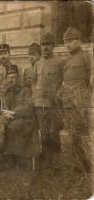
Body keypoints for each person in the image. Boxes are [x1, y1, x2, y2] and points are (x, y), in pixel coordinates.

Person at [60, 26, 93, 174]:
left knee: (83, 134)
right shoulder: (67, 59)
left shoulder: (87, 57)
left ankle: (87, 166)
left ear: (79, 41)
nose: (67, 44)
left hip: (82, 102)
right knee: (73, 134)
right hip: (69, 102)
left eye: (70, 41)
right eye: (65, 41)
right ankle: (77, 165)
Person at [0, 65, 39, 170]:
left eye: (14, 77)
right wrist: (3, 113)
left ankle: (17, 158)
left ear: (18, 78)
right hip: (11, 117)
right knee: (0, 123)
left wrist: (13, 113)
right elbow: (4, 106)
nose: (11, 80)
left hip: (25, 119)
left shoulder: (26, 90)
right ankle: (5, 156)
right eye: (9, 77)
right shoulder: (8, 92)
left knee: (13, 127)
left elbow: (28, 108)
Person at [33, 32, 65, 169]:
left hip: (53, 104)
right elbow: (33, 83)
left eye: (48, 45)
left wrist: (59, 97)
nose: (45, 48)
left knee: (54, 133)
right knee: (44, 134)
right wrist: (35, 97)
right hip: (40, 104)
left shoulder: (60, 62)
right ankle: (47, 160)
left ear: (54, 46)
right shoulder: (38, 64)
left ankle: (57, 160)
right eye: (43, 45)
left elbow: (65, 83)